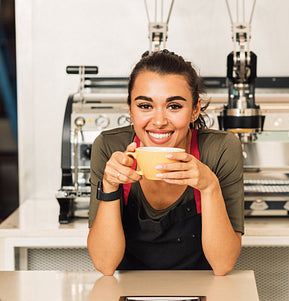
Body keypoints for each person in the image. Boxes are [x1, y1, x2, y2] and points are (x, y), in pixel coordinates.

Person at [87, 50, 244, 276]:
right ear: (130, 108)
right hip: (128, 289)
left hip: (202, 288)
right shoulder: (109, 147)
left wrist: (209, 186)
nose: (159, 121)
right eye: (144, 106)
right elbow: (105, 264)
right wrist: (110, 186)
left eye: (174, 106)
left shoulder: (221, 149)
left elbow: (222, 265)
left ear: (195, 109)